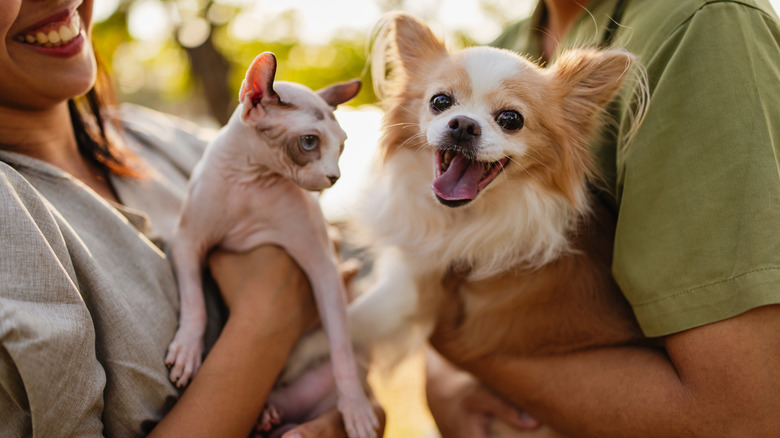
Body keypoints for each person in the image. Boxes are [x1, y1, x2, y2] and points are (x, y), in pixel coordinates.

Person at [0, 1, 383, 437]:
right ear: (256, 99)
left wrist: (361, 403)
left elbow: (358, 284)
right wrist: (267, 320)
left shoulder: (162, 137)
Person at [425, 0, 780, 436]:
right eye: (442, 102)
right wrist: (445, 384)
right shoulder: (505, 43)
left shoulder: (705, 24)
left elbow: (741, 416)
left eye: (510, 118)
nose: (463, 124)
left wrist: (458, 350)